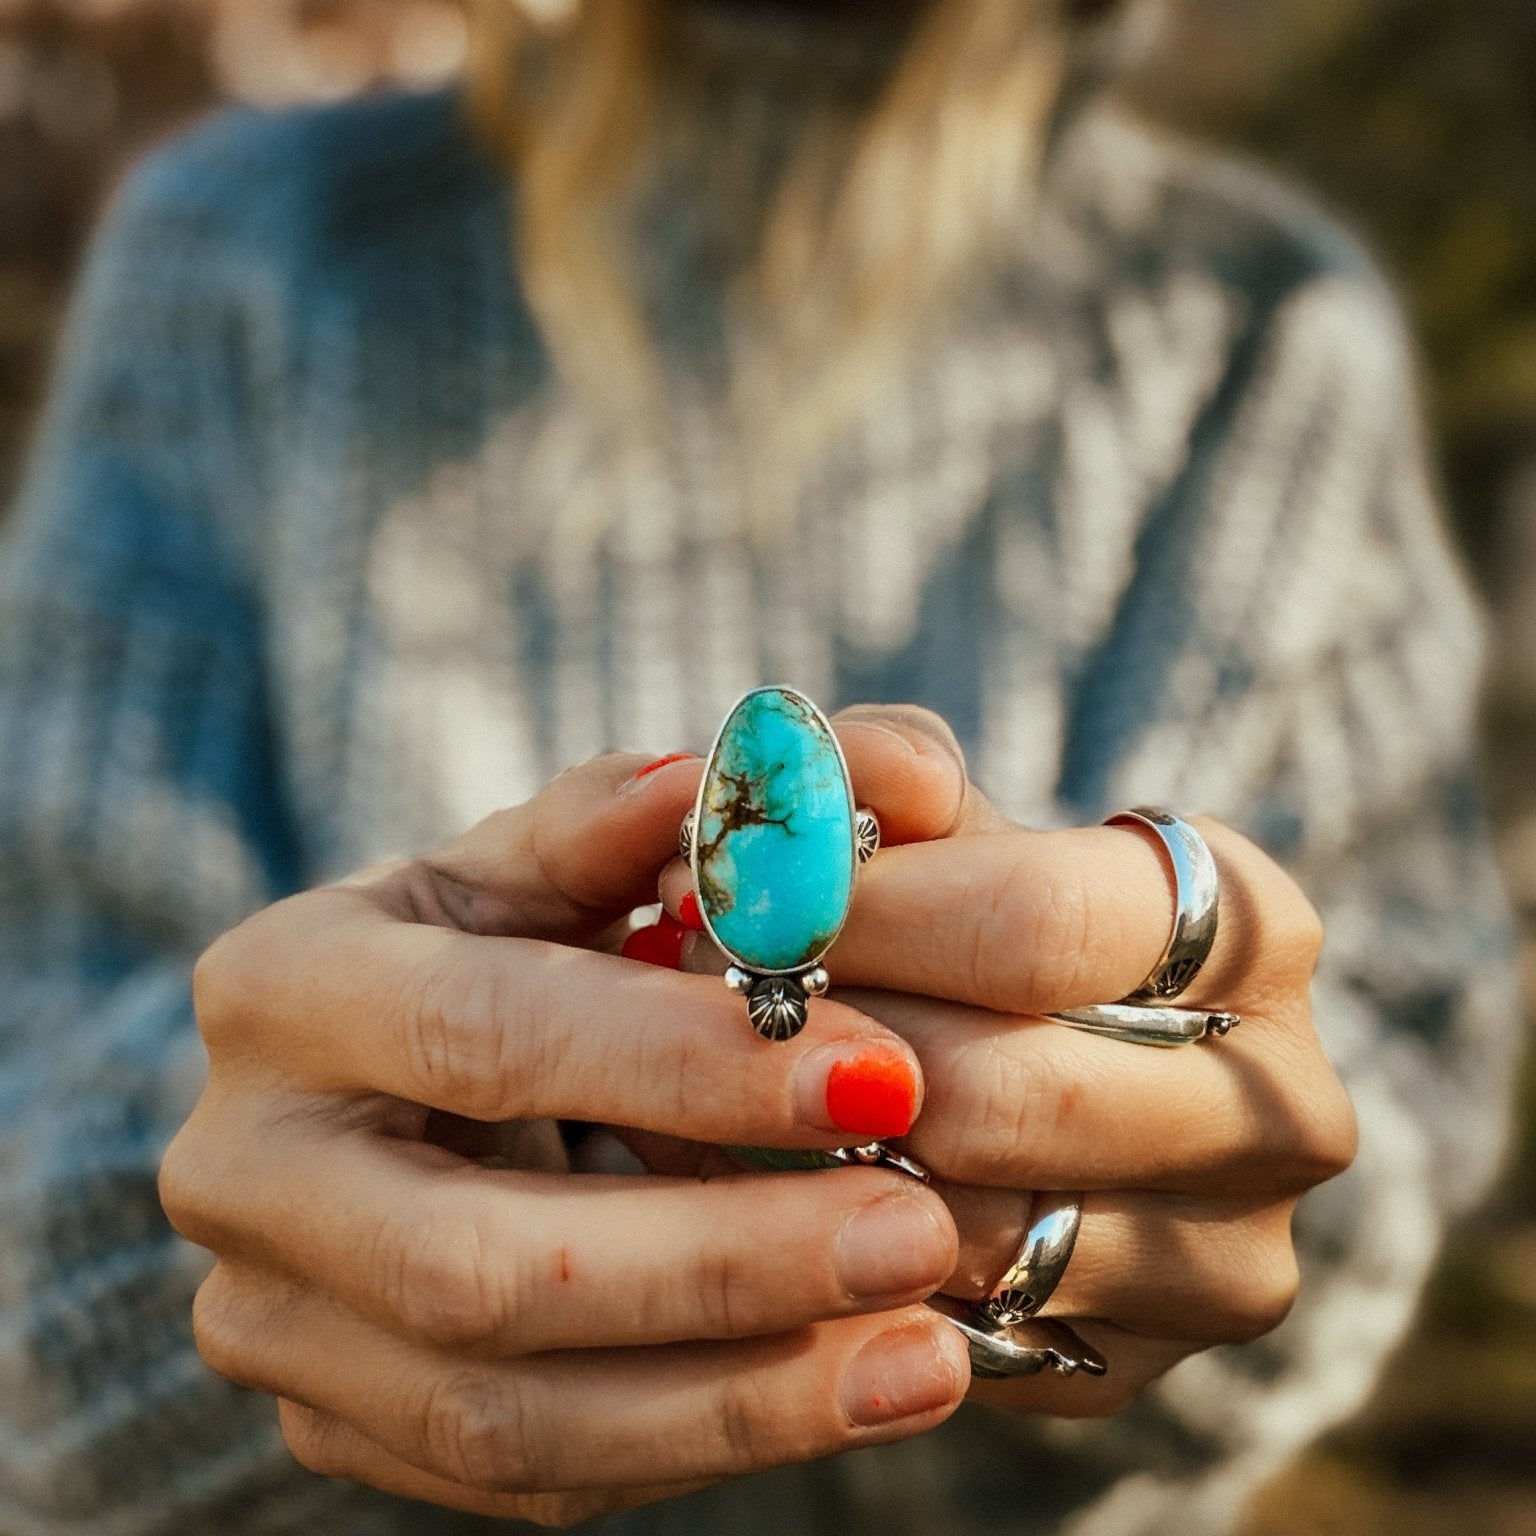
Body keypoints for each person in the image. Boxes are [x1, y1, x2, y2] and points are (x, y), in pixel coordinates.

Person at [0, 0, 1520, 1532]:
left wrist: (1149, 1235)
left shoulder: (1262, 330)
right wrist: (250, 1244)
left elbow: (1387, 1063)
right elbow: (31, 1061)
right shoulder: (257, 257)